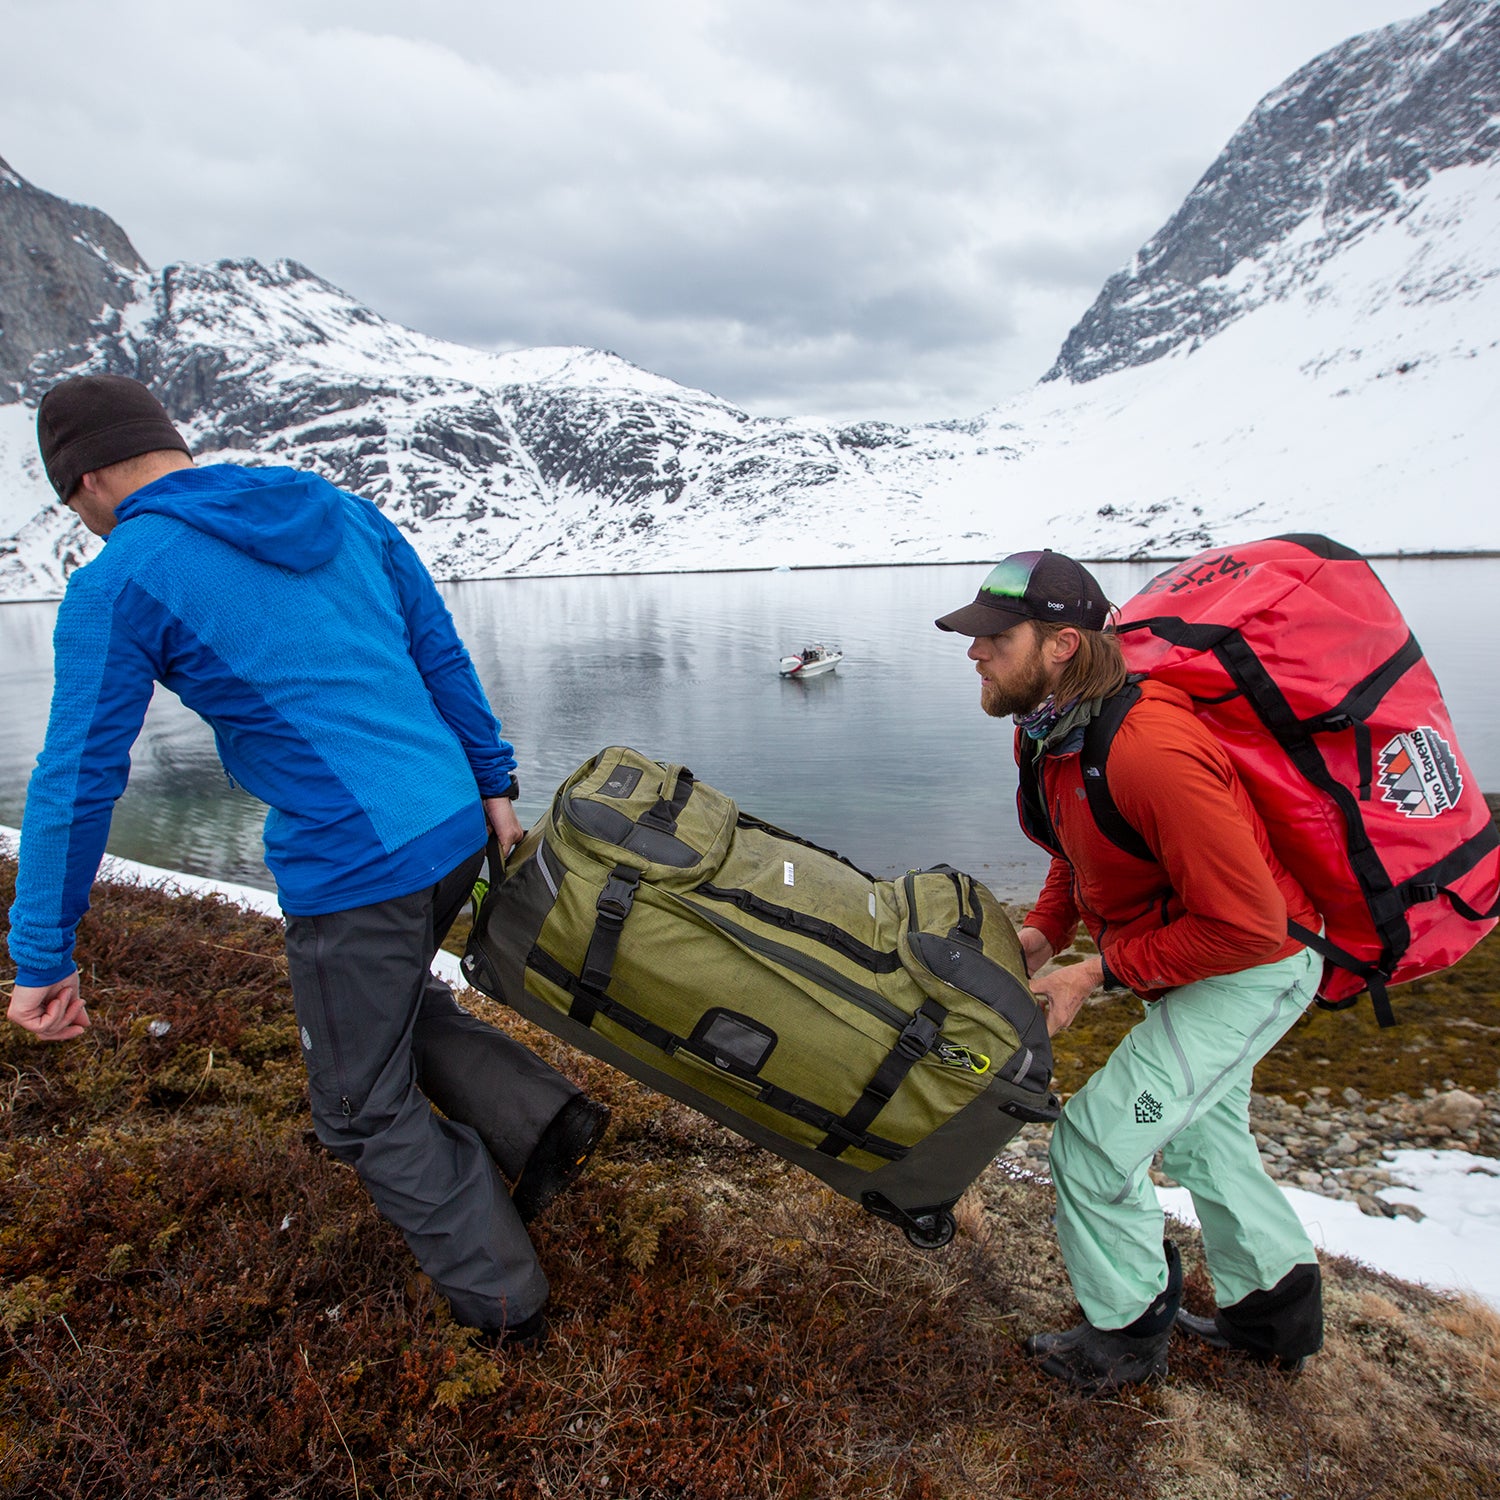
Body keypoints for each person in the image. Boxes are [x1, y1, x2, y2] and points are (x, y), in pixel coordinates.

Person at [5, 374, 608, 1346]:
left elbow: (77, 781)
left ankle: (507, 1306)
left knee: (359, 1110)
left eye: (70, 504)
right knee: (392, 999)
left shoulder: (123, 577)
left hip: (357, 861)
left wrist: (42, 957)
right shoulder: (332, 505)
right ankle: (542, 1122)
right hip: (451, 820)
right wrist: (493, 782)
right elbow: (434, 650)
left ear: (84, 481)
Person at [936, 548, 1325, 1394]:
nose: (975, 651)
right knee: (1206, 1139)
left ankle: (1126, 1331)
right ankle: (1276, 1315)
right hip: (1206, 961)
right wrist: (1044, 934)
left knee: (1093, 1145)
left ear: (1063, 644)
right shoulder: (1045, 732)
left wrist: (1093, 973)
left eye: (995, 637)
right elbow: (1076, 851)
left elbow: (1248, 926)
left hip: (1259, 966)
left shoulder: (1151, 748)